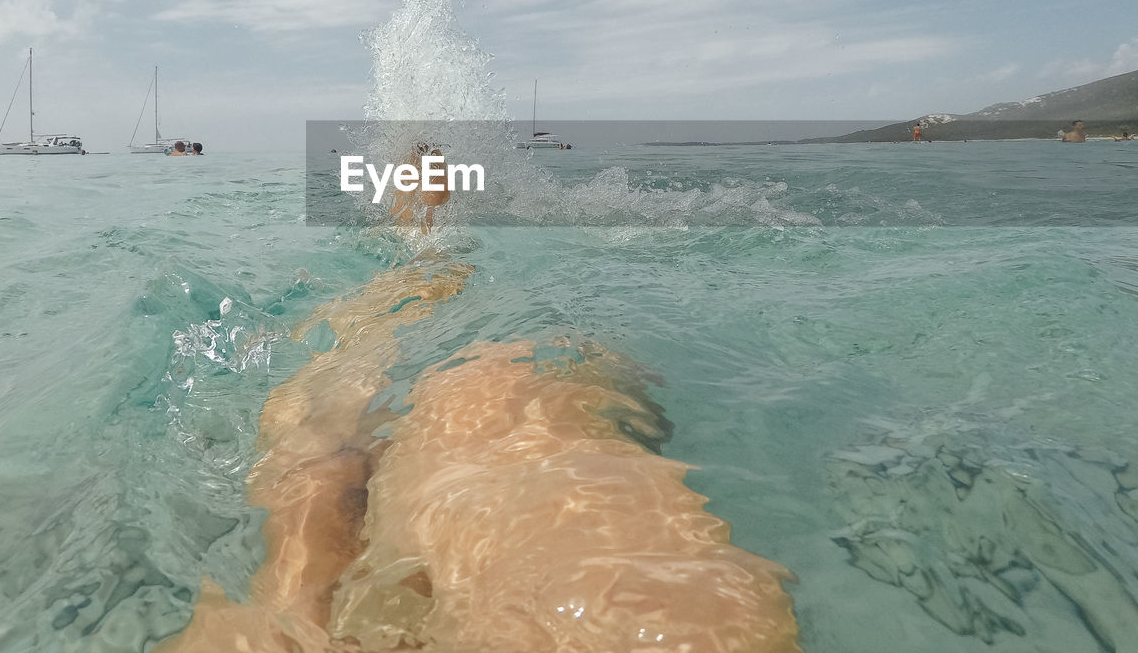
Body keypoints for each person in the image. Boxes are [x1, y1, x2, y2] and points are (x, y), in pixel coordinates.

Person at [155, 156, 803, 653]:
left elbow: (315, 463)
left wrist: (296, 592)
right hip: (507, 378)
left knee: (361, 432)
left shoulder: (346, 311)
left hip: (446, 380)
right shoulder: (492, 319)